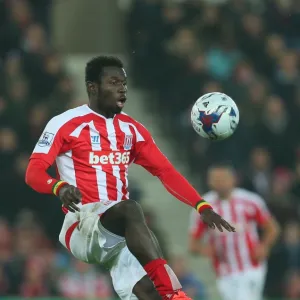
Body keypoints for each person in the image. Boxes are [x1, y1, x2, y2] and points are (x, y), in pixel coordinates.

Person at [25, 56, 235, 300]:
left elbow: (165, 171)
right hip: (83, 223)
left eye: (124, 83)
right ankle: (174, 294)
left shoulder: (132, 130)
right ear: (93, 87)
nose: (122, 89)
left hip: (120, 237)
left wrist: (201, 205)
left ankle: (162, 293)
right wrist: (58, 187)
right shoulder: (64, 123)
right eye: (114, 82)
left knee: (146, 291)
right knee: (131, 209)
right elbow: (34, 172)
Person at [188, 164, 280, 300]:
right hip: (224, 271)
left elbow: (272, 228)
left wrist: (264, 246)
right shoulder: (203, 208)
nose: (220, 183)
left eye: (223, 178)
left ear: (233, 179)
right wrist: (207, 250)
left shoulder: (250, 201)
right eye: (216, 179)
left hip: (251, 266)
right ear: (209, 181)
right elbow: (193, 245)